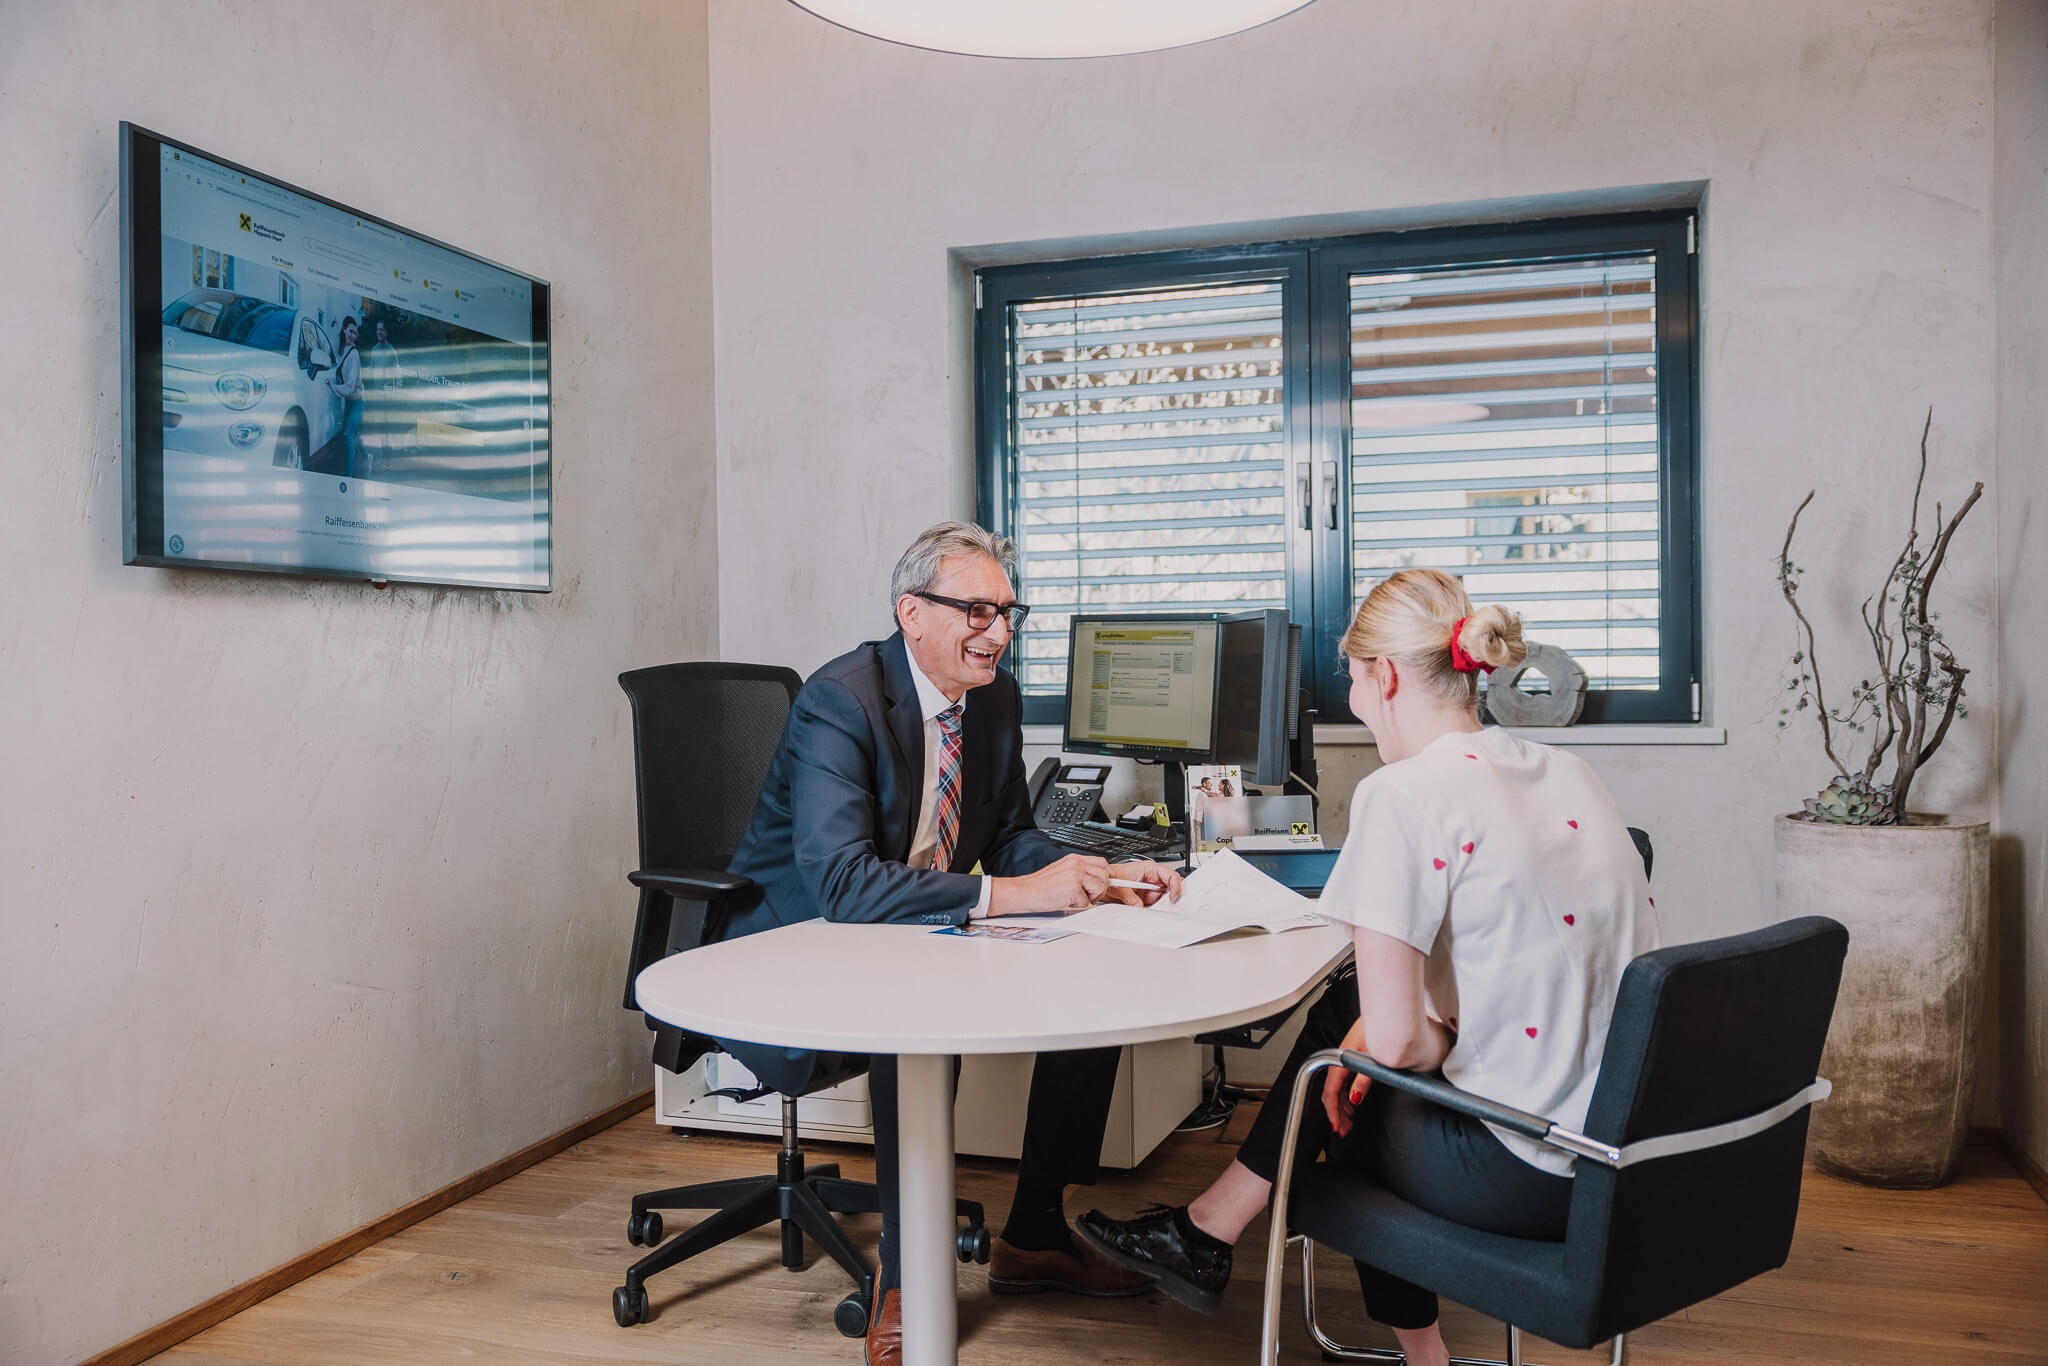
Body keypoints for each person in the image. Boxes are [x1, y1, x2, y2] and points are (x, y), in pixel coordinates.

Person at [1079, 568, 1659, 1366]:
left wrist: (1374, 1048)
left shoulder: (1405, 794)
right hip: (1620, 1153)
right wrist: (1393, 1030)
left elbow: (1396, 1048)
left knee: (1341, 1089)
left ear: (1384, 676)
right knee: (1349, 1028)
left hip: (1530, 1168)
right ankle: (1206, 1232)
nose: (1353, 699)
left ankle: (1405, 1347)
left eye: (1351, 680)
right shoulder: (1565, 771)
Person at [720, 521, 1184, 1366]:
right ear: (912, 614)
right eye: (976, 610)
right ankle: (906, 1274)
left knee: (1100, 975)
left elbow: (1007, 837)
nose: (1000, 632)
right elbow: (844, 885)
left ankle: (1036, 1231)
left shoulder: (993, 699)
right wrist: (1011, 894)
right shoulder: (841, 700)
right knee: (918, 1027)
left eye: (1010, 612)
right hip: (802, 939)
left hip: (916, 917)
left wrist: (1094, 875)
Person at [324, 315, 365, 479]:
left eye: (355, 333)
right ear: (344, 330)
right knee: (354, 435)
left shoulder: (354, 354)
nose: (353, 335)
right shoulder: (341, 350)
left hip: (357, 402)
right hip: (348, 403)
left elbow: (349, 387)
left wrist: (332, 387)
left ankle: (349, 476)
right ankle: (365, 459)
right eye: (350, 331)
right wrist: (333, 323)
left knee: (348, 434)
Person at [363, 319, 402, 466]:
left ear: (386, 332)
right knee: (377, 427)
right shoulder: (374, 349)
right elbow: (372, 369)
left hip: (387, 397)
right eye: (377, 329)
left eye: (382, 330)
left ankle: (387, 459)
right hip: (376, 395)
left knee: (386, 428)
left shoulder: (391, 350)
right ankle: (380, 458)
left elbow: (398, 374)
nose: (379, 332)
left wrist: (394, 389)